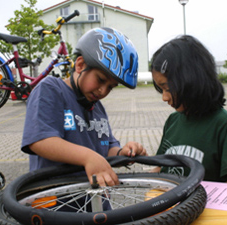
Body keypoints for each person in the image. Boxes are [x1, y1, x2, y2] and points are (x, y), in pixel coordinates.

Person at [21, 27, 147, 187]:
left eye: (110, 87)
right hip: (55, 203)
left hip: (94, 203)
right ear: (80, 65)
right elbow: (40, 140)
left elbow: (107, 150)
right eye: (101, 79)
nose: (103, 91)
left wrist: (124, 153)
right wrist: (89, 157)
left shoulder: (98, 108)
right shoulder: (51, 90)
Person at [150, 35, 227, 184]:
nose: (164, 97)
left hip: (206, 207)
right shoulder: (172, 121)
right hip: (175, 207)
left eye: (168, 88)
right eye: (160, 89)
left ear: (192, 79)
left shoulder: (224, 124)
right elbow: (161, 167)